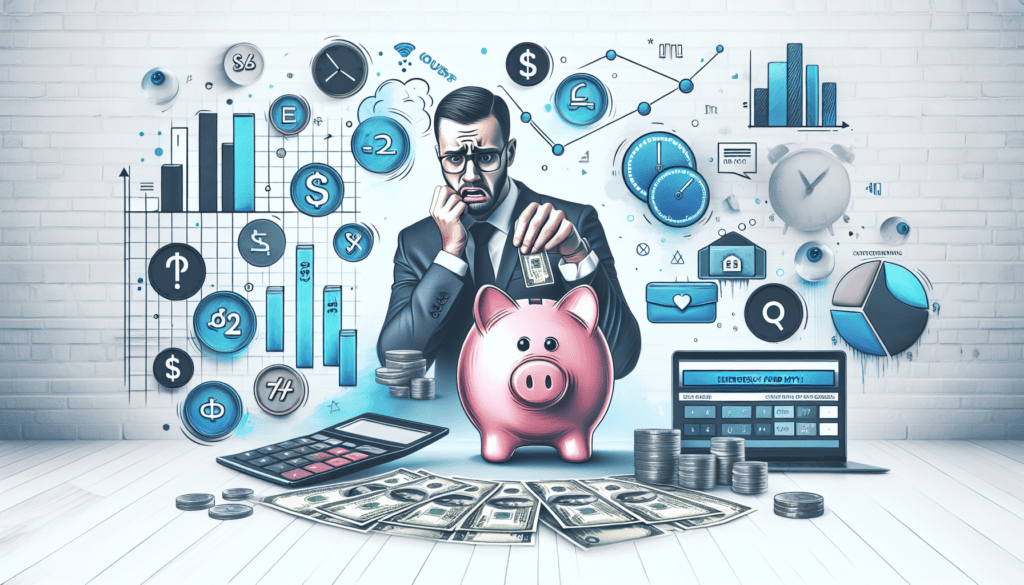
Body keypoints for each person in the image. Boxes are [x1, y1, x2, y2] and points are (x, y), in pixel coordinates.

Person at [377, 86, 641, 386]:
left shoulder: (571, 225)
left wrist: (576, 255)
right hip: (452, 425)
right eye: (454, 159)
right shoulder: (418, 243)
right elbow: (396, 366)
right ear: (438, 156)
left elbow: (621, 358)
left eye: (486, 157)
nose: (470, 175)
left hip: (545, 421)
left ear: (510, 152)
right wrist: (449, 256)